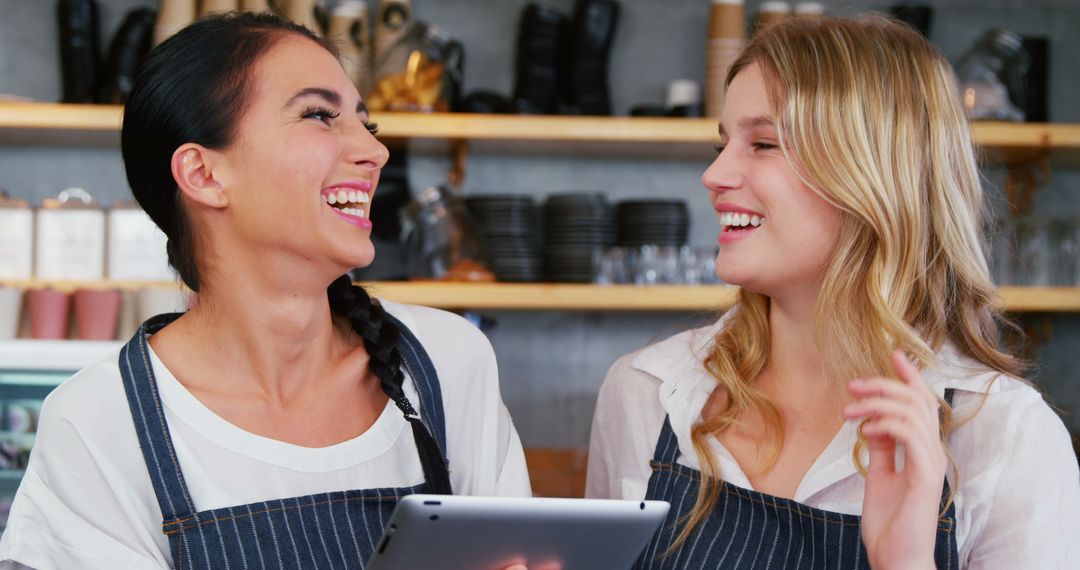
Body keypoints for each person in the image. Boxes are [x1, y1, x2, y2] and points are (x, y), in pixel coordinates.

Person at [0, 12, 529, 569]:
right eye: (319, 116)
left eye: (365, 123)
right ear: (204, 174)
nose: (376, 152)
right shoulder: (99, 422)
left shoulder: (446, 364)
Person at [586, 15, 1080, 570]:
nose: (715, 174)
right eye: (723, 143)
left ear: (874, 172)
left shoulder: (1004, 437)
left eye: (765, 143)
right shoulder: (645, 394)